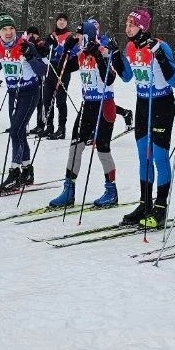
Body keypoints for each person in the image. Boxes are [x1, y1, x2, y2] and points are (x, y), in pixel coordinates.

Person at [111, 8, 175, 227]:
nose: (128, 28)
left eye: (132, 24)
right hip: (143, 104)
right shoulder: (130, 47)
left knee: (159, 157)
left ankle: (160, 207)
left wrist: (159, 56)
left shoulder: (160, 45)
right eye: (126, 24)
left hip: (161, 103)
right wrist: (115, 56)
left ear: (142, 27)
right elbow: (126, 76)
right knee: (144, 156)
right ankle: (145, 203)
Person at [49, 19, 118, 209]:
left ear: (88, 36)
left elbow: (109, 78)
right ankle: (68, 190)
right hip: (87, 105)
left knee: (103, 149)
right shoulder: (81, 54)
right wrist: (66, 50)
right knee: (75, 146)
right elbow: (61, 72)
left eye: (80, 35)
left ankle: (111, 190)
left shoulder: (103, 50)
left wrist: (99, 56)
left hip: (104, 105)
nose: (77, 38)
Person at [0, 13, 46, 193]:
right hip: (13, 93)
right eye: (4, 29)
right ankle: (27, 170)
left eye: (11, 28)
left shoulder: (25, 44)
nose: (8, 32)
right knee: (19, 132)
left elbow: (43, 71)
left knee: (16, 131)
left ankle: (14, 172)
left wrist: (30, 56)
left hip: (29, 92)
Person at [35, 13, 78, 139]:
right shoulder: (51, 35)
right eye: (59, 20)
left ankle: (61, 128)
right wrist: (41, 47)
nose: (61, 22)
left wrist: (57, 46)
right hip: (51, 70)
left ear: (67, 22)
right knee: (47, 99)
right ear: (56, 22)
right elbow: (45, 52)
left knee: (60, 100)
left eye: (64, 20)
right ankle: (49, 126)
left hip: (63, 70)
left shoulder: (70, 36)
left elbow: (71, 54)